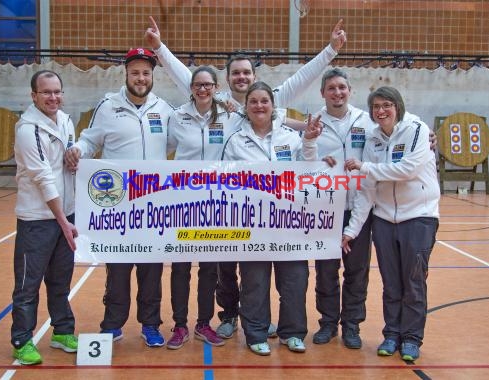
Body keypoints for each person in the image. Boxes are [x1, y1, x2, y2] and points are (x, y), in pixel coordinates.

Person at [145, 16, 347, 339]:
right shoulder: (219, 104)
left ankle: (259, 318)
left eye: (246, 73)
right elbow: (188, 78)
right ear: (227, 78)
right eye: (235, 73)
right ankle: (229, 315)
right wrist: (159, 49)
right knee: (226, 266)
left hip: (265, 207)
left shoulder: (268, 100)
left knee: (258, 266)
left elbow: (300, 81)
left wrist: (330, 51)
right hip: (223, 200)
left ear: (255, 78)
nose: (241, 77)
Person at [65, 48, 173, 347]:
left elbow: (183, 142)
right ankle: (112, 325)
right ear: (125, 74)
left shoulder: (164, 109)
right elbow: (90, 140)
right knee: (118, 271)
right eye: (135, 72)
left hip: (154, 207)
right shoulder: (108, 106)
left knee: (151, 272)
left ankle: (150, 325)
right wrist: (78, 150)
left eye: (146, 73)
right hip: (119, 207)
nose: (141, 78)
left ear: (153, 76)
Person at [221, 81, 322, 355]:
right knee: (254, 281)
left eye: (264, 101)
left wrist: (310, 140)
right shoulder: (235, 141)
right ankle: (255, 333)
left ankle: (293, 332)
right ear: (246, 107)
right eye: (253, 101)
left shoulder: (290, 137)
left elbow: (309, 171)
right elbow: (226, 181)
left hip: (289, 223)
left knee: (295, 279)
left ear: (273, 106)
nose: (259, 106)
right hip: (253, 225)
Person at [342, 86, 440, 362]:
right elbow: (368, 190)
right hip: (385, 220)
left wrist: (364, 167)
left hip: (419, 217)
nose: (381, 111)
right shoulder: (372, 139)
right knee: (391, 284)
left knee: (413, 282)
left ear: (398, 106)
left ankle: (411, 339)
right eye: (375, 106)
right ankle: (392, 334)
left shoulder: (417, 129)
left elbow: (408, 170)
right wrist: (351, 230)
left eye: (386, 105)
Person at [164, 66, 240, 349]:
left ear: (216, 87)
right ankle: (180, 325)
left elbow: (267, 119)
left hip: (217, 204)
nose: (203, 89)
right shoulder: (177, 116)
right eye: (198, 84)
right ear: (191, 87)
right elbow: (163, 149)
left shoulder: (230, 116)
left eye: (208, 85)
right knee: (181, 267)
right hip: (184, 201)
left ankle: (204, 324)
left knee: (209, 269)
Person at [11, 69, 79, 365]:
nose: (53, 97)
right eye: (47, 92)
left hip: (65, 214)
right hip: (37, 219)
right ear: (34, 96)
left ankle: (62, 331)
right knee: (28, 285)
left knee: (60, 280)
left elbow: (66, 166)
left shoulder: (65, 120)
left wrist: (76, 159)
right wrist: (64, 221)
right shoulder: (27, 129)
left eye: (57, 91)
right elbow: (43, 178)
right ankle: (22, 340)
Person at [311, 68, 375, 349]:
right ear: (322, 93)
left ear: (350, 90)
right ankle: (327, 323)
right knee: (325, 270)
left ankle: (351, 325)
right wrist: (314, 157)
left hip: (360, 208)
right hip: (326, 209)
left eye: (342, 88)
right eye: (331, 88)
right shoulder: (313, 123)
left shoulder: (367, 121)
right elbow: (303, 157)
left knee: (356, 271)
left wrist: (430, 137)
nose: (337, 93)